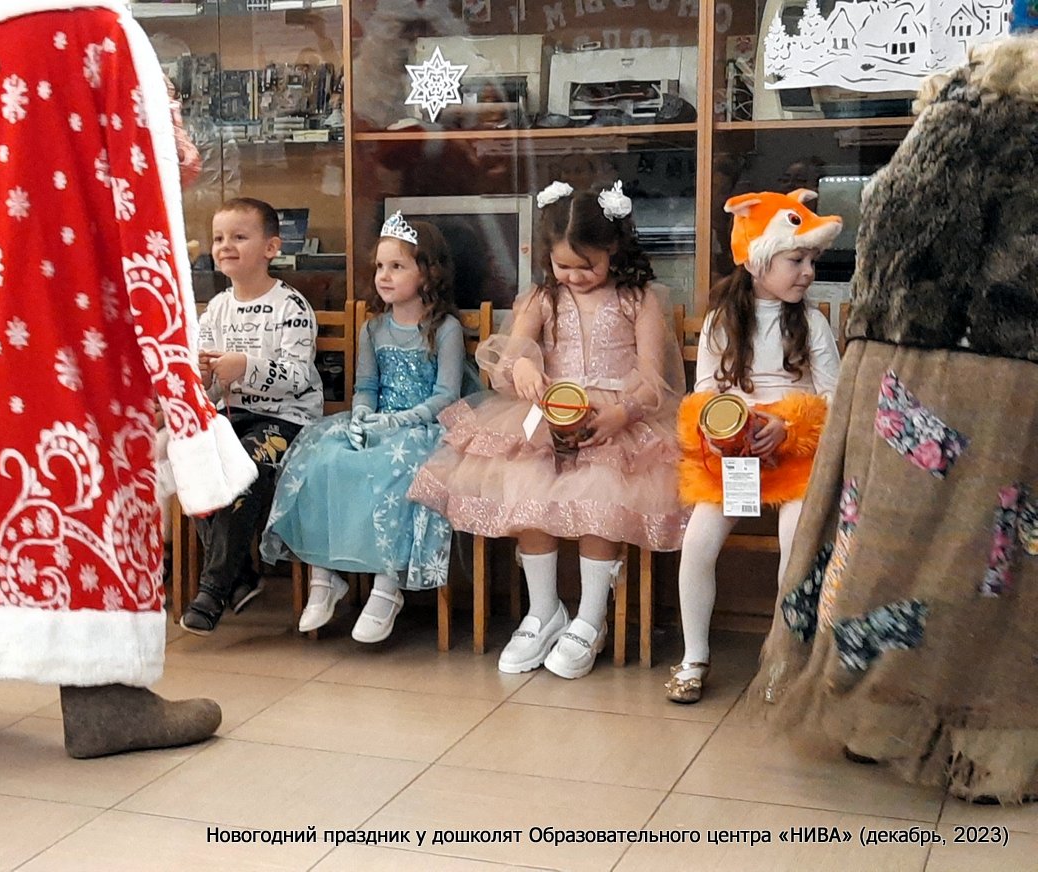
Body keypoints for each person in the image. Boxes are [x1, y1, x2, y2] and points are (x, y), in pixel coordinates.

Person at [0, 0, 256, 757]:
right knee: (79, 475)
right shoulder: (97, 36)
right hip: (67, 327)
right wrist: (174, 376)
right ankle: (103, 696)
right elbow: (161, 173)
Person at [748, 29, 1038, 803]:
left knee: (885, 551)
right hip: (1007, 375)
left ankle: (875, 717)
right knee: (997, 570)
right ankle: (982, 743)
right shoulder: (1019, 131)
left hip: (892, 366)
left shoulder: (936, 126)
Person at [409, 181, 686, 679]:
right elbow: (509, 355)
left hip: (615, 420)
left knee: (602, 493)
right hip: (547, 416)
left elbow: (654, 378)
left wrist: (623, 413)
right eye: (563, 266)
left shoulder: (638, 299)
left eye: (587, 266)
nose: (574, 276)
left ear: (614, 248)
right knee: (526, 487)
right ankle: (543, 611)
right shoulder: (541, 298)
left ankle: (591, 617)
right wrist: (522, 367)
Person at [666, 190, 841, 704]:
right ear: (758, 260)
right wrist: (721, 432)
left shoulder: (812, 323)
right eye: (796, 259)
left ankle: (785, 658)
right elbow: (704, 392)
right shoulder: (722, 321)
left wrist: (789, 426)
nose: (808, 271)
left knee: (797, 541)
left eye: (811, 260)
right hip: (736, 456)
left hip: (796, 456)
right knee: (697, 543)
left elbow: (835, 397)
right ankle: (694, 656)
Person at [261, 213, 461, 641]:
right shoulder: (373, 328)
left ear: (428, 272)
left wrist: (400, 420)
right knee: (325, 460)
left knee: (395, 469)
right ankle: (323, 577)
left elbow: (446, 396)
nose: (384, 276)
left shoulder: (445, 329)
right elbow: (366, 386)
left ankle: (387, 588)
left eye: (397, 266)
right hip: (377, 421)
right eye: (380, 266)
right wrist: (362, 416)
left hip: (422, 428)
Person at [180, 197, 324, 634]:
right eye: (219, 238)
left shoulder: (291, 307)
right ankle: (239, 573)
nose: (225, 246)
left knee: (244, 469)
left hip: (287, 419)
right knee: (195, 463)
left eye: (239, 237)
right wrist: (204, 377)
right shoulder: (216, 309)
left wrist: (245, 366)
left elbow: (298, 377)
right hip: (231, 416)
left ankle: (214, 589)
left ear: (271, 248)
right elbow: (204, 386)